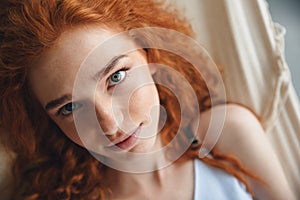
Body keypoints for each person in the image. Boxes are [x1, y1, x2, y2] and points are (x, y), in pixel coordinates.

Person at [0, 0, 295, 199]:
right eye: (70, 108)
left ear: (149, 52)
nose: (110, 124)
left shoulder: (226, 134)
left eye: (116, 77)